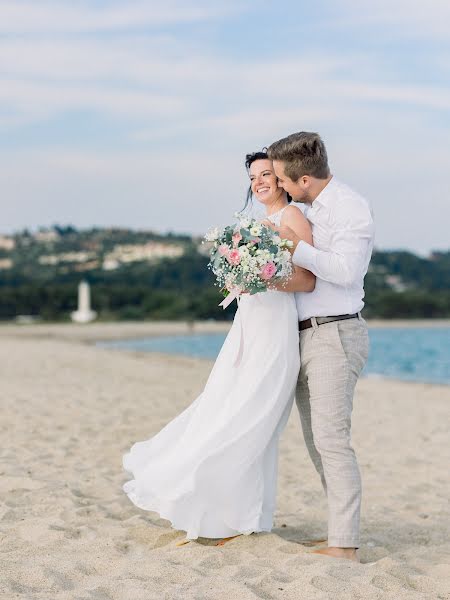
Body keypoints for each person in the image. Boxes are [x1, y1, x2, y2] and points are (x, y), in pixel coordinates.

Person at [122, 151, 315, 544]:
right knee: (225, 409)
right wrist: (242, 274)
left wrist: (261, 278)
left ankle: (242, 516)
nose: (259, 181)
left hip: (275, 335)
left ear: (281, 179)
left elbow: (307, 280)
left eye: (266, 174)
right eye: (253, 176)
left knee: (254, 421)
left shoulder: (291, 218)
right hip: (247, 331)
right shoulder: (255, 226)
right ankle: (224, 513)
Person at [266, 131, 375, 562]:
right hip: (304, 334)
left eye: (284, 180)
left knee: (332, 440)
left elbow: (347, 272)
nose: (281, 188)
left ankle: (344, 547)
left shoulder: (350, 207)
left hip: (335, 333)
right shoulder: (309, 209)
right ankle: (338, 533)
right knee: (317, 442)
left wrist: (296, 248)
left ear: (304, 179)